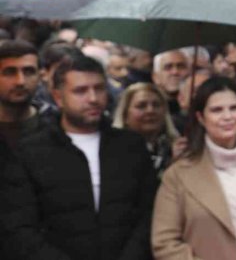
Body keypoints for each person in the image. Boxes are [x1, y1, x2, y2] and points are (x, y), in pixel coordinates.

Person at [0, 54, 157, 260]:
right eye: (80, 91)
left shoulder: (131, 147)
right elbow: (21, 229)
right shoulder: (30, 152)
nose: (93, 98)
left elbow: (149, 214)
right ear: (58, 97)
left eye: (99, 88)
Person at [151, 77, 236, 260]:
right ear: (201, 118)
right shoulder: (178, 174)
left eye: (234, 108)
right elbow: (164, 242)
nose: (227, 116)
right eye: (217, 110)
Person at [113, 82, 182, 177]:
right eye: (141, 106)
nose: (150, 110)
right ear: (125, 115)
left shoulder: (176, 148)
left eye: (156, 105)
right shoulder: (114, 152)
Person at [0, 40, 45, 150]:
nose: (20, 82)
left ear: (40, 76)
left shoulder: (59, 125)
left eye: (29, 72)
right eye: (10, 72)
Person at [153, 49, 191, 118]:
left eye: (181, 66)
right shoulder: (150, 109)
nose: (175, 72)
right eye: (168, 67)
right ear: (155, 77)